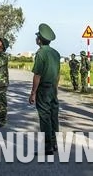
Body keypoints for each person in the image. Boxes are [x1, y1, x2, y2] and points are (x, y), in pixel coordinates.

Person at [29, 23, 60, 155]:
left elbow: (37, 75)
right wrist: (55, 88)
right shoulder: (56, 53)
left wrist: (33, 93)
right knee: (54, 115)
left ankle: (47, 147)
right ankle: (55, 143)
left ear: (39, 39)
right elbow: (58, 74)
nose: (36, 39)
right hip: (52, 88)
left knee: (45, 117)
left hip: (43, 89)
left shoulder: (41, 54)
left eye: (37, 36)